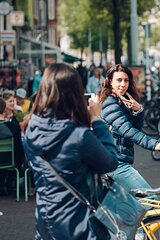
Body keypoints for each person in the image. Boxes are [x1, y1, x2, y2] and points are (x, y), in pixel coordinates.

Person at [22, 63, 118, 239]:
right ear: (75, 93)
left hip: (45, 221)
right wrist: (97, 120)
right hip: (77, 224)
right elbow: (110, 162)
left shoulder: (30, 128)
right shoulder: (78, 136)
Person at [100, 64, 160, 197]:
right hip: (116, 162)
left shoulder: (122, 101)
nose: (123, 84)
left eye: (126, 80)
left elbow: (136, 129)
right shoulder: (110, 104)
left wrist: (139, 111)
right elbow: (129, 131)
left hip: (119, 160)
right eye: (119, 80)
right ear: (110, 81)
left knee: (126, 209)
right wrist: (154, 145)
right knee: (150, 199)